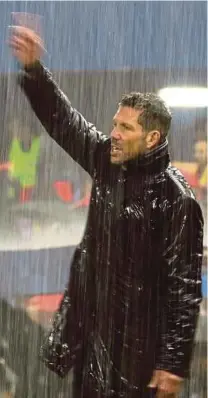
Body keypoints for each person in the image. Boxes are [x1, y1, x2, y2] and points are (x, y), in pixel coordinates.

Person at [9, 26, 204, 398]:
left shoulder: (177, 199)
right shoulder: (107, 163)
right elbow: (64, 122)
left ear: (152, 138)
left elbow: (184, 287)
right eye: (115, 123)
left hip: (141, 349)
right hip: (96, 336)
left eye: (125, 127)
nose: (113, 132)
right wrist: (35, 71)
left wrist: (172, 363)